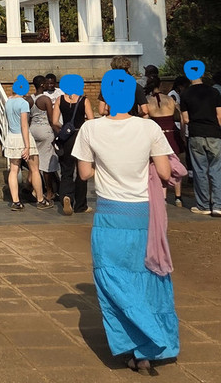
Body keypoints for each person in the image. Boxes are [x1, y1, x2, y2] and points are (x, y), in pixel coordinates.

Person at [74, 69, 178, 373]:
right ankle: (148, 346)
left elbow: (84, 174)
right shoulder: (150, 130)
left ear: (104, 97)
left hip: (109, 214)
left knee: (111, 278)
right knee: (146, 279)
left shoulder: (90, 130)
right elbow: (163, 173)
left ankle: (142, 339)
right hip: (143, 215)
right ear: (135, 97)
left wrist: (107, 167)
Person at [180, 62, 221, 217]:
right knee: (217, 170)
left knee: (199, 171)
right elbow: (220, 116)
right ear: (202, 73)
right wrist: (215, 127)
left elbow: (186, 119)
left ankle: (203, 205)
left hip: (195, 134)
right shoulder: (214, 92)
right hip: (214, 133)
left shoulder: (185, 94)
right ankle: (220, 206)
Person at [3, 75, 49, 211]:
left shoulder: (8, 101)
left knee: (13, 169)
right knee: (34, 169)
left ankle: (16, 201)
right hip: (23, 138)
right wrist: (27, 146)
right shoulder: (23, 103)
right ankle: (40, 199)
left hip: (11, 137)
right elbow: (24, 125)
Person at [56, 73, 94, 215]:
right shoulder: (84, 100)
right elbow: (90, 120)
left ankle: (66, 196)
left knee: (66, 170)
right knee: (82, 172)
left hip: (67, 138)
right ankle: (81, 205)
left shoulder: (60, 100)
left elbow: (54, 121)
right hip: (81, 136)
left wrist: (64, 130)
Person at [145, 76, 185, 207]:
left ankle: (163, 197)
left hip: (157, 138)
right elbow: (181, 118)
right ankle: (178, 197)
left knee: (158, 167)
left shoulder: (147, 101)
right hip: (172, 134)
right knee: (176, 166)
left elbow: (145, 119)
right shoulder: (170, 99)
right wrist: (182, 135)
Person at [28, 75, 59, 205]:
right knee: (47, 163)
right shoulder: (45, 99)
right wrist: (58, 132)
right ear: (42, 85)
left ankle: (32, 188)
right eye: (45, 83)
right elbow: (52, 120)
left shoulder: (29, 99)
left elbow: (27, 118)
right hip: (45, 130)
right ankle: (49, 191)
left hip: (32, 130)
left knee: (34, 163)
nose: (48, 85)